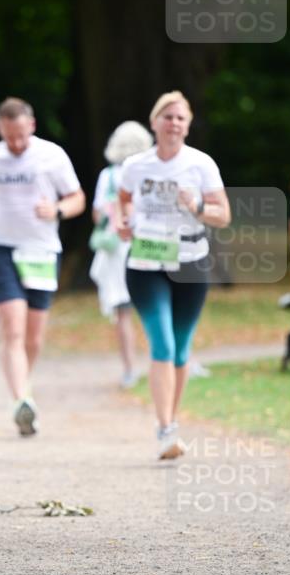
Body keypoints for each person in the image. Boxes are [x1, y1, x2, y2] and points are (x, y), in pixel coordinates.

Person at [118, 91, 231, 460]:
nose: (174, 123)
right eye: (167, 116)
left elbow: (223, 215)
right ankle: (166, 429)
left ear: (188, 125)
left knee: (181, 350)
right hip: (146, 263)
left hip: (190, 263)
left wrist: (196, 206)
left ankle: (170, 420)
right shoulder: (136, 166)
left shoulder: (201, 164)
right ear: (154, 122)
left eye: (181, 118)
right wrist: (124, 221)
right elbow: (123, 200)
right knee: (163, 344)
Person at [0, 97, 85, 436]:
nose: (17, 144)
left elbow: (77, 198)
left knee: (33, 338)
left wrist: (57, 210)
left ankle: (24, 390)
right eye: (10, 137)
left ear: (32, 126)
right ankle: (21, 399)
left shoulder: (52, 155)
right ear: (0, 130)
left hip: (41, 250)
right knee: (13, 330)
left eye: (22, 136)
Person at [90, 120, 153, 388]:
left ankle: (129, 369)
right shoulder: (150, 173)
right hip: (148, 245)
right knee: (155, 305)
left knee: (122, 310)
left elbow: (97, 215)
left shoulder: (109, 176)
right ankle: (166, 361)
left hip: (117, 249)